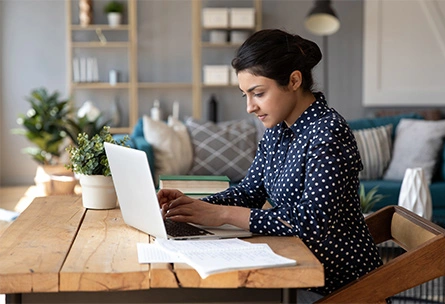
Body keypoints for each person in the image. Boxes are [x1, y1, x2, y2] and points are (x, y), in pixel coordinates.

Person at [158, 29, 383, 302]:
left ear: (294, 80)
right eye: (246, 95)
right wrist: (195, 205)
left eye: (258, 93)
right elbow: (249, 192)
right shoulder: (278, 130)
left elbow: (310, 223)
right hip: (296, 269)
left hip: (336, 283)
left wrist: (223, 215)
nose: (250, 107)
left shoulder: (328, 132)